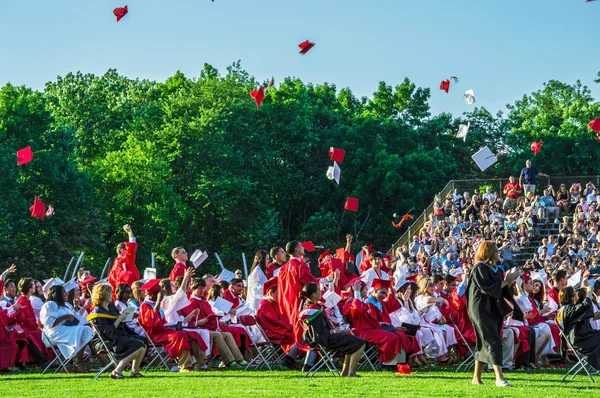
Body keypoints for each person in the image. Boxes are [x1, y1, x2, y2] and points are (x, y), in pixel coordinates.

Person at [466, 240, 520, 387]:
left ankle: (476, 378)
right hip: (480, 309)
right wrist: (506, 280)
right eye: (496, 250)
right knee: (493, 339)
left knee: (485, 341)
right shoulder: (479, 268)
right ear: (488, 252)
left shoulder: (494, 268)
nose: (499, 252)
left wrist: (509, 281)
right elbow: (488, 288)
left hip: (492, 307)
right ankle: (499, 378)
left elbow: (500, 288)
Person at [138, 279, 208, 372]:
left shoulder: (154, 304)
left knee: (193, 334)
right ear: (153, 294)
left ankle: (201, 363)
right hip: (155, 335)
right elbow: (152, 322)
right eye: (160, 293)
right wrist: (159, 301)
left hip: (164, 331)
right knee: (181, 335)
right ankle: (185, 365)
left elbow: (162, 322)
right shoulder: (145, 306)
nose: (162, 295)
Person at [179, 278, 248, 369]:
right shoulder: (191, 302)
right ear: (193, 288)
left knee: (227, 334)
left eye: (203, 288)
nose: (202, 290)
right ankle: (229, 361)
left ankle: (239, 359)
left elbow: (211, 315)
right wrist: (199, 322)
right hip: (200, 329)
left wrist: (218, 320)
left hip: (209, 327)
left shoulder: (204, 302)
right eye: (200, 288)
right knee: (218, 335)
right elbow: (189, 320)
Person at [299, 282, 366, 377]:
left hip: (319, 339)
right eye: (318, 290)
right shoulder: (313, 311)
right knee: (361, 344)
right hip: (325, 340)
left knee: (352, 343)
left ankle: (345, 373)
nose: (320, 292)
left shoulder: (308, 308)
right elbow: (321, 333)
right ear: (314, 294)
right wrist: (336, 331)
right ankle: (351, 373)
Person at [88, 284, 147, 379]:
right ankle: (117, 370)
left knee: (143, 341)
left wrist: (123, 318)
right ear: (102, 294)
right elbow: (108, 332)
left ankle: (135, 371)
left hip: (117, 335)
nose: (112, 295)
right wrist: (120, 319)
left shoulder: (111, 308)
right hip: (105, 340)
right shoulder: (97, 313)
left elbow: (119, 326)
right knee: (138, 345)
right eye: (109, 293)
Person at [40, 285, 94, 372]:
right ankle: (78, 362)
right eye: (64, 292)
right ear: (57, 294)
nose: (66, 294)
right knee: (82, 331)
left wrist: (75, 308)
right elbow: (49, 323)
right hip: (54, 333)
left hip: (65, 330)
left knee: (86, 330)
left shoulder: (63, 306)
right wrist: (64, 317)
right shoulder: (49, 304)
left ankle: (78, 361)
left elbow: (74, 318)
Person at [277, 241, 319, 351]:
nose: (303, 248)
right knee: (306, 330)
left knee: (298, 330)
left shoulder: (283, 268)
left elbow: (281, 290)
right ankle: (308, 357)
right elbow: (309, 284)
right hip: (301, 302)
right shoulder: (300, 266)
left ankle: (292, 357)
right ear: (296, 249)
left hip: (289, 303)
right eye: (301, 246)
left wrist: (282, 305)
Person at [557, 286, 600, 371]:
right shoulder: (567, 309)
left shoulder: (566, 309)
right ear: (572, 296)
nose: (577, 293)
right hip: (580, 340)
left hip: (582, 337)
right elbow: (585, 307)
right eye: (575, 292)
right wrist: (589, 294)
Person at [14, 278, 50, 368]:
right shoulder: (22, 301)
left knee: (42, 332)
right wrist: (35, 326)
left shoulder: (27, 300)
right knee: (37, 334)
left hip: (29, 327)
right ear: (30, 290)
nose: (35, 287)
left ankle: (44, 360)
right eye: (33, 286)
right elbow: (24, 320)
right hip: (24, 329)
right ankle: (42, 361)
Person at [108, 224, 141, 290]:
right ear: (123, 251)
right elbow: (131, 251)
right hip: (128, 293)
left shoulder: (115, 266)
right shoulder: (122, 261)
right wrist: (130, 233)